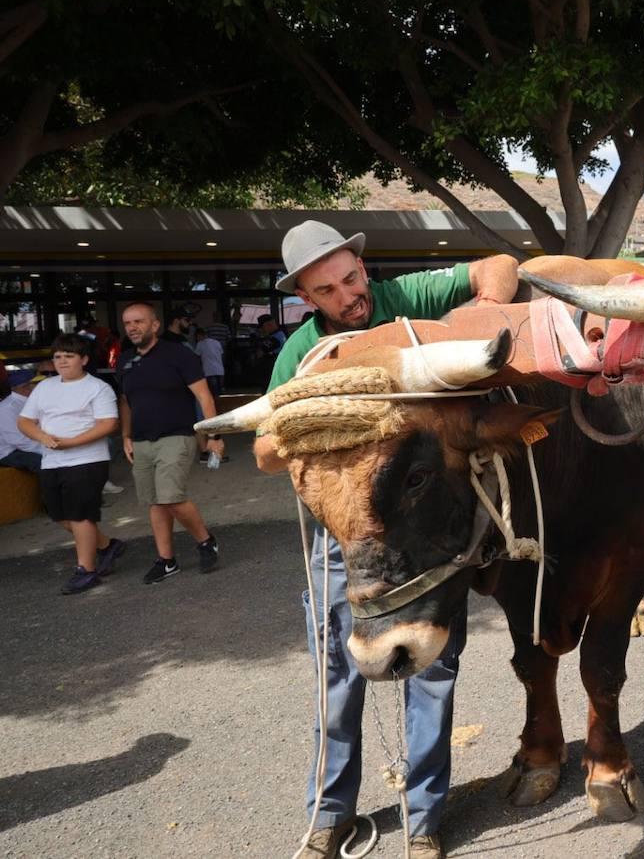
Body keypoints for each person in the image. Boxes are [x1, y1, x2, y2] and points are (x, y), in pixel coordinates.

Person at [251, 220, 518, 859]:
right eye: (330, 290)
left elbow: (500, 265)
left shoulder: (405, 300)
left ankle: (424, 819)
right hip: (346, 544)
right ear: (307, 300)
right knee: (336, 674)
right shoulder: (302, 356)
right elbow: (265, 449)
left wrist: (479, 319)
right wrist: (324, 420)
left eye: (352, 277)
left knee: (431, 668)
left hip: (421, 532)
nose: (350, 295)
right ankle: (329, 812)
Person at [117, 302, 226, 583]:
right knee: (155, 502)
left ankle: (205, 541)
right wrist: (125, 435)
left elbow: (204, 397)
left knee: (172, 497)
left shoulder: (178, 354)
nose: (132, 327)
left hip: (177, 435)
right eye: (128, 323)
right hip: (141, 440)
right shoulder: (125, 359)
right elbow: (126, 401)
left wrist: (213, 435)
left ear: (154, 325)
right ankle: (166, 561)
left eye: (138, 322)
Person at [17, 335, 126, 594]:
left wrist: (74, 442)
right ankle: (107, 546)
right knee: (61, 517)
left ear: (84, 360)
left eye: (69, 356)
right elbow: (25, 421)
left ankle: (86, 571)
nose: (62, 361)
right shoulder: (45, 387)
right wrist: (43, 436)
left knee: (80, 515)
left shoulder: (98, 388)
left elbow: (109, 424)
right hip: (52, 460)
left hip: (87, 460)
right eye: (57, 357)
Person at [1, 370, 47, 472]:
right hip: (10, 451)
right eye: (35, 384)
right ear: (25, 388)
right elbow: (18, 440)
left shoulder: (34, 401)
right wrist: (46, 449)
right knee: (44, 463)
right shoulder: (6, 408)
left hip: (34, 444)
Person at [192, 327, 226, 462]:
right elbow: (223, 354)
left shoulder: (200, 344)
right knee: (216, 399)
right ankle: (217, 417)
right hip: (220, 371)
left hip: (208, 372)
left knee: (207, 401)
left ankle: (213, 418)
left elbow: (196, 358)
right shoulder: (216, 343)